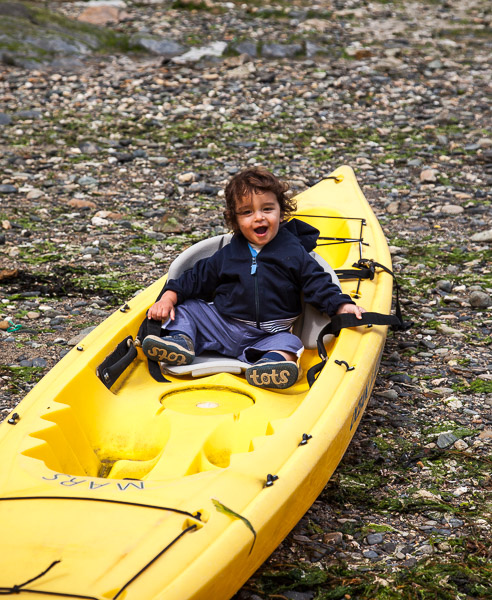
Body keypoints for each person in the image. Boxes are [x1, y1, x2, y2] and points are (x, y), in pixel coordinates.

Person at [142, 167, 365, 389]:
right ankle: (181, 342)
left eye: (267, 209)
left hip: (268, 336)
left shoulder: (293, 252)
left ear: (281, 210)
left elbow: (317, 283)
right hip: (222, 325)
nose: (259, 217)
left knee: (291, 343)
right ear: (235, 219)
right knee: (187, 309)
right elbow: (194, 279)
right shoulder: (228, 254)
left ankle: (271, 364)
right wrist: (168, 298)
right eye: (247, 212)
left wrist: (341, 305)